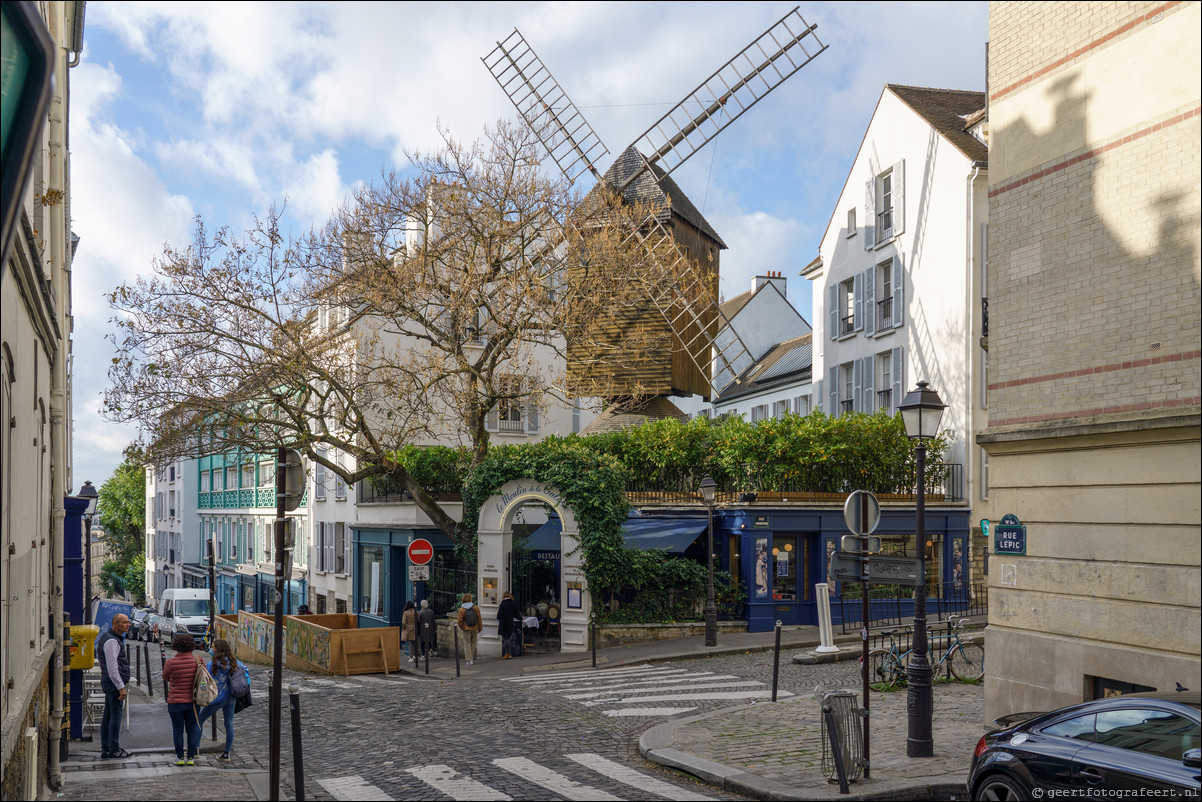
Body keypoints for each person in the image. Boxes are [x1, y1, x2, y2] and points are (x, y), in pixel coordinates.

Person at [196, 639, 246, 761]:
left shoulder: (212, 664)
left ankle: (195, 749)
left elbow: (206, 681)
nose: (211, 649)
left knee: (199, 720)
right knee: (229, 724)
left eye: (213, 647)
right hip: (231, 697)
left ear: (217, 649)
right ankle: (226, 753)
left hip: (216, 698)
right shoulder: (235, 663)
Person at [161, 633, 204, 766]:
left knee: (177, 730)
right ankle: (191, 758)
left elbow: (165, 677)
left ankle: (180, 758)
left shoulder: (170, 663)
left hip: (175, 701)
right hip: (193, 700)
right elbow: (203, 676)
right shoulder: (198, 660)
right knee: (192, 729)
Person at [96, 613, 132, 760]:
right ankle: (113, 748)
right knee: (115, 715)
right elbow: (112, 668)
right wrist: (120, 687)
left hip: (111, 683)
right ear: (115, 625)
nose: (128, 625)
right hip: (113, 684)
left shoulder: (111, 638)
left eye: (128, 622)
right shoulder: (111, 641)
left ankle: (107, 747)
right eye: (124, 622)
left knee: (109, 715)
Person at [457, 593, 483, 664]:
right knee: (473, 643)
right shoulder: (475, 607)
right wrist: (480, 627)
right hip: (474, 628)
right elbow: (479, 618)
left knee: (467, 644)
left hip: (466, 629)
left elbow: (459, 620)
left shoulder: (462, 609)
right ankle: (471, 658)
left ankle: (469, 659)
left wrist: (462, 627)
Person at [496, 591, 520, 660]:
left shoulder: (503, 604)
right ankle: (508, 653)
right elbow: (516, 614)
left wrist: (499, 618)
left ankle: (508, 653)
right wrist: (521, 618)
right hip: (510, 623)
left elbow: (499, 615)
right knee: (508, 637)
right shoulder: (513, 604)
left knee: (506, 639)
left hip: (503, 623)